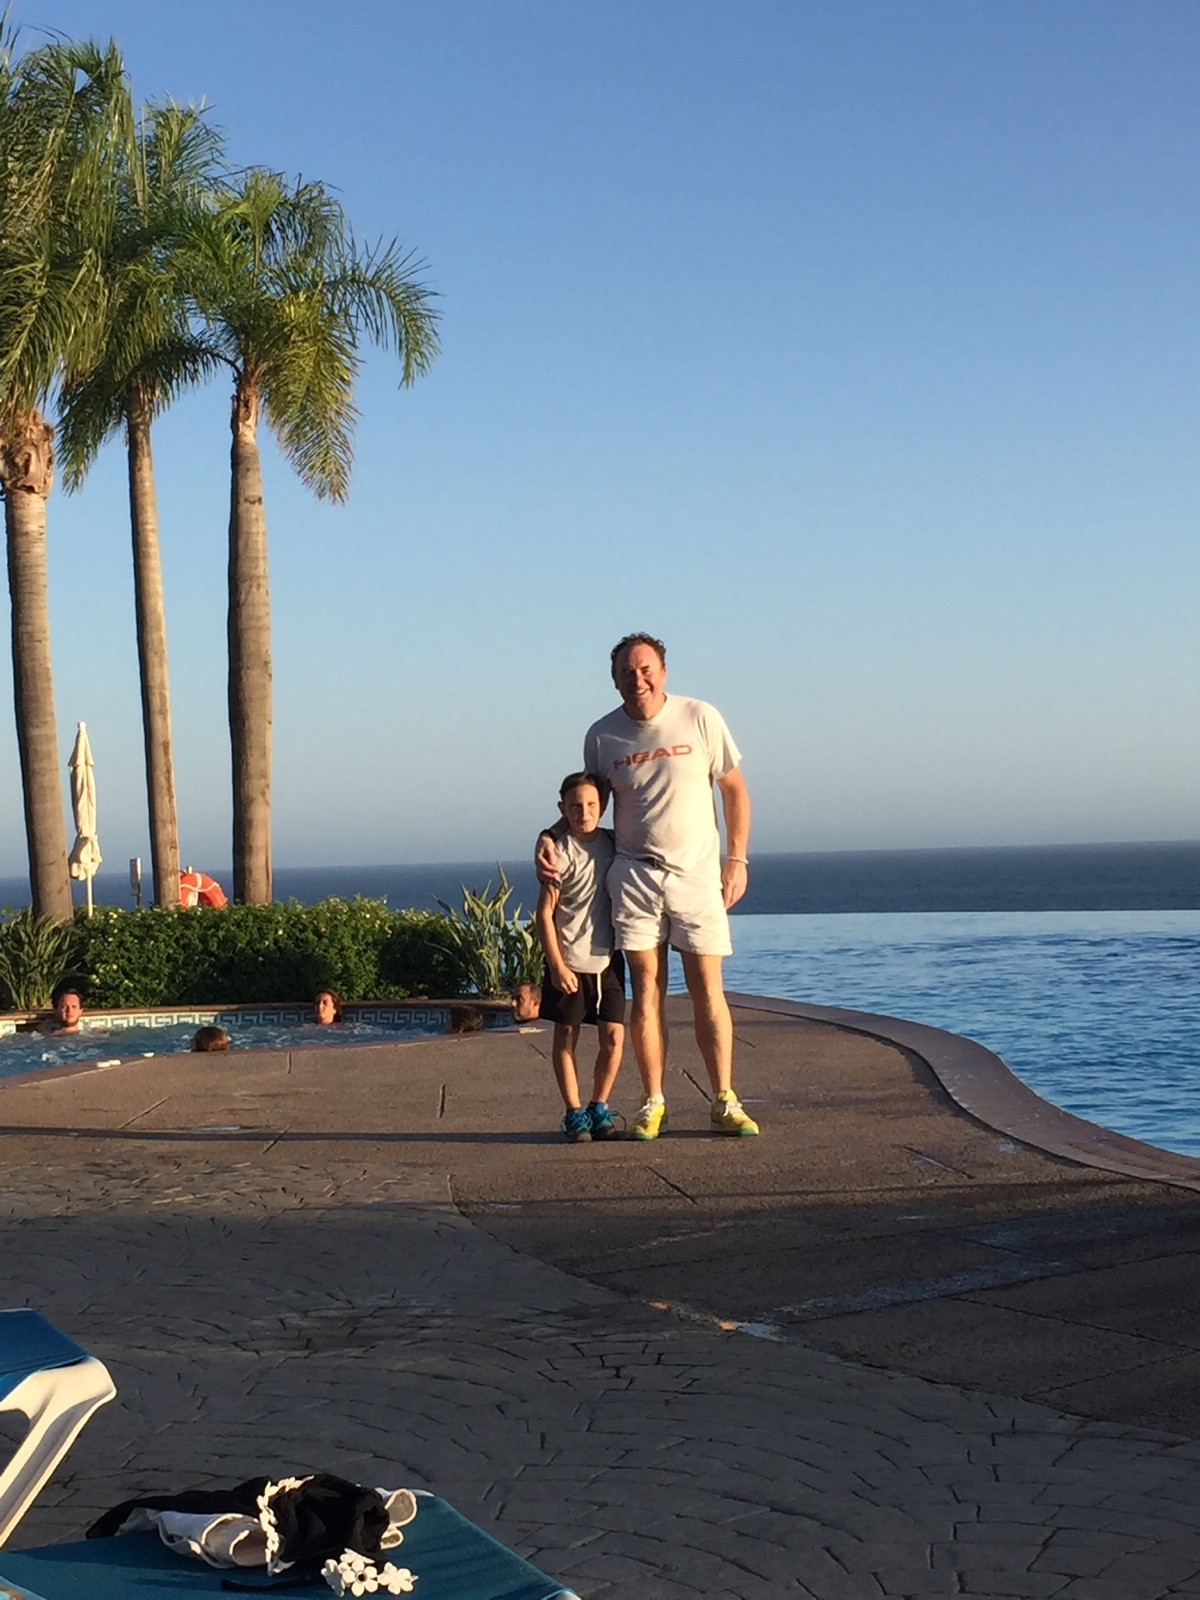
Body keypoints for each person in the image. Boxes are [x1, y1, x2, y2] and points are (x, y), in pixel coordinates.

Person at [536, 633, 757, 1140]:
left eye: (645, 669)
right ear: (614, 680)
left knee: (707, 989)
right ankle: (653, 1100)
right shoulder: (602, 736)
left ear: (663, 671)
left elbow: (734, 790)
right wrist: (549, 835)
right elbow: (586, 804)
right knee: (646, 991)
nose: (637, 679)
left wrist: (737, 859)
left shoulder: (700, 717)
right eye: (626, 673)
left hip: (696, 874)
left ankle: (724, 1099)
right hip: (634, 874)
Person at [535, 771, 626, 1142]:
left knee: (614, 1038)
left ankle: (598, 1106)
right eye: (575, 806)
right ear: (563, 809)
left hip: (608, 960)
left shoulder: (615, 843)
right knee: (566, 1038)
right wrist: (556, 966)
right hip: (570, 959)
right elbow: (544, 914)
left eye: (591, 804)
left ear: (601, 806)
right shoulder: (557, 854)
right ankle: (574, 1113)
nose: (584, 812)